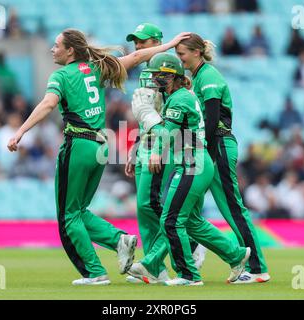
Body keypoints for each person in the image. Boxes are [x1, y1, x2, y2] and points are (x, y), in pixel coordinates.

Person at [7, 29, 190, 285]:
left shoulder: (61, 75)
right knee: (79, 210)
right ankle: (119, 240)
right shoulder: (97, 68)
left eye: (57, 45)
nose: (52, 49)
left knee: (68, 215)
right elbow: (136, 57)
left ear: (70, 50)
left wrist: (21, 131)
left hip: (78, 144)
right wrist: (169, 44)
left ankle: (94, 272)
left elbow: (48, 104)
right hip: (101, 146)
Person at [128, 53, 250, 286]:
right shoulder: (179, 96)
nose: (155, 80)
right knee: (190, 221)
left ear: (173, 77)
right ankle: (235, 255)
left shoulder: (179, 99)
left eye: (160, 76)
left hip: (193, 162)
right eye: (154, 75)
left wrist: (148, 118)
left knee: (170, 220)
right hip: (192, 162)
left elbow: (168, 134)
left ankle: (188, 274)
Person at [175, 33, 270, 283]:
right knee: (189, 207)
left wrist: (203, 150)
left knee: (232, 207)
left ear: (196, 52)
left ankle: (258, 268)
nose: (179, 58)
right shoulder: (197, 77)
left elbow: (213, 119)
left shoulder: (208, 77)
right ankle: (198, 254)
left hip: (218, 145)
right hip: (208, 147)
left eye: (182, 53)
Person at [124, 23, 206, 284]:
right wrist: (136, 145)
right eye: (135, 42)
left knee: (155, 205)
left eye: (143, 41)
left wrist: (152, 137)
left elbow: (166, 124)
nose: (138, 47)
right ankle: (155, 268)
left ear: (158, 41)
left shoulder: (170, 80)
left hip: (166, 149)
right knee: (144, 208)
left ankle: (185, 249)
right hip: (148, 146)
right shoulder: (151, 77)